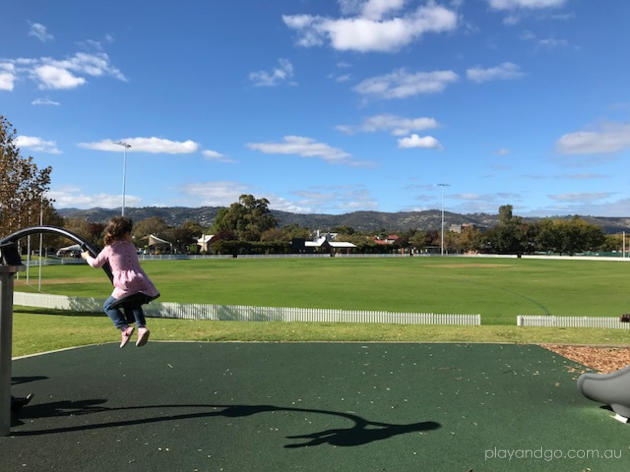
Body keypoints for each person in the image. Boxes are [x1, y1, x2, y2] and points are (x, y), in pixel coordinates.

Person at [81, 217, 159, 348]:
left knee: (107, 306)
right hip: (140, 279)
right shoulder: (131, 246)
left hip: (125, 283)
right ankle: (141, 327)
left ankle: (124, 329)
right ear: (125, 234)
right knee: (134, 301)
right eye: (130, 233)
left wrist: (86, 256)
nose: (131, 235)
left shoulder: (109, 249)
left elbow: (95, 264)